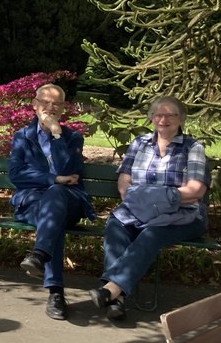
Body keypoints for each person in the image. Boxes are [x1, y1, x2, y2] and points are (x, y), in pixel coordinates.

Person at [90, 95, 209, 321]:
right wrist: (153, 199)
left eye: (170, 115)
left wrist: (151, 198)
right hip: (139, 209)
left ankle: (110, 290)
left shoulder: (193, 148)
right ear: (152, 118)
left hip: (184, 215)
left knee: (151, 234)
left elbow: (195, 191)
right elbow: (124, 184)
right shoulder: (140, 143)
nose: (163, 119)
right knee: (116, 226)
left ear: (181, 118)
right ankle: (117, 300)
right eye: (158, 115)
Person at [7, 83, 94, 320]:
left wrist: (56, 134)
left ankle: (40, 257)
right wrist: (54, 178)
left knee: (56, 196)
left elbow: (70, 168)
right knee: (52, 217)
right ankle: (55, 292)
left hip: (69, 202)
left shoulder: (72, 137)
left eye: (56, 103)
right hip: (32, 203)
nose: (50, 107)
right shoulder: (22, 137)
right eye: (45, 102)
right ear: (35, 105)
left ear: (63, 108)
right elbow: (16, 175)